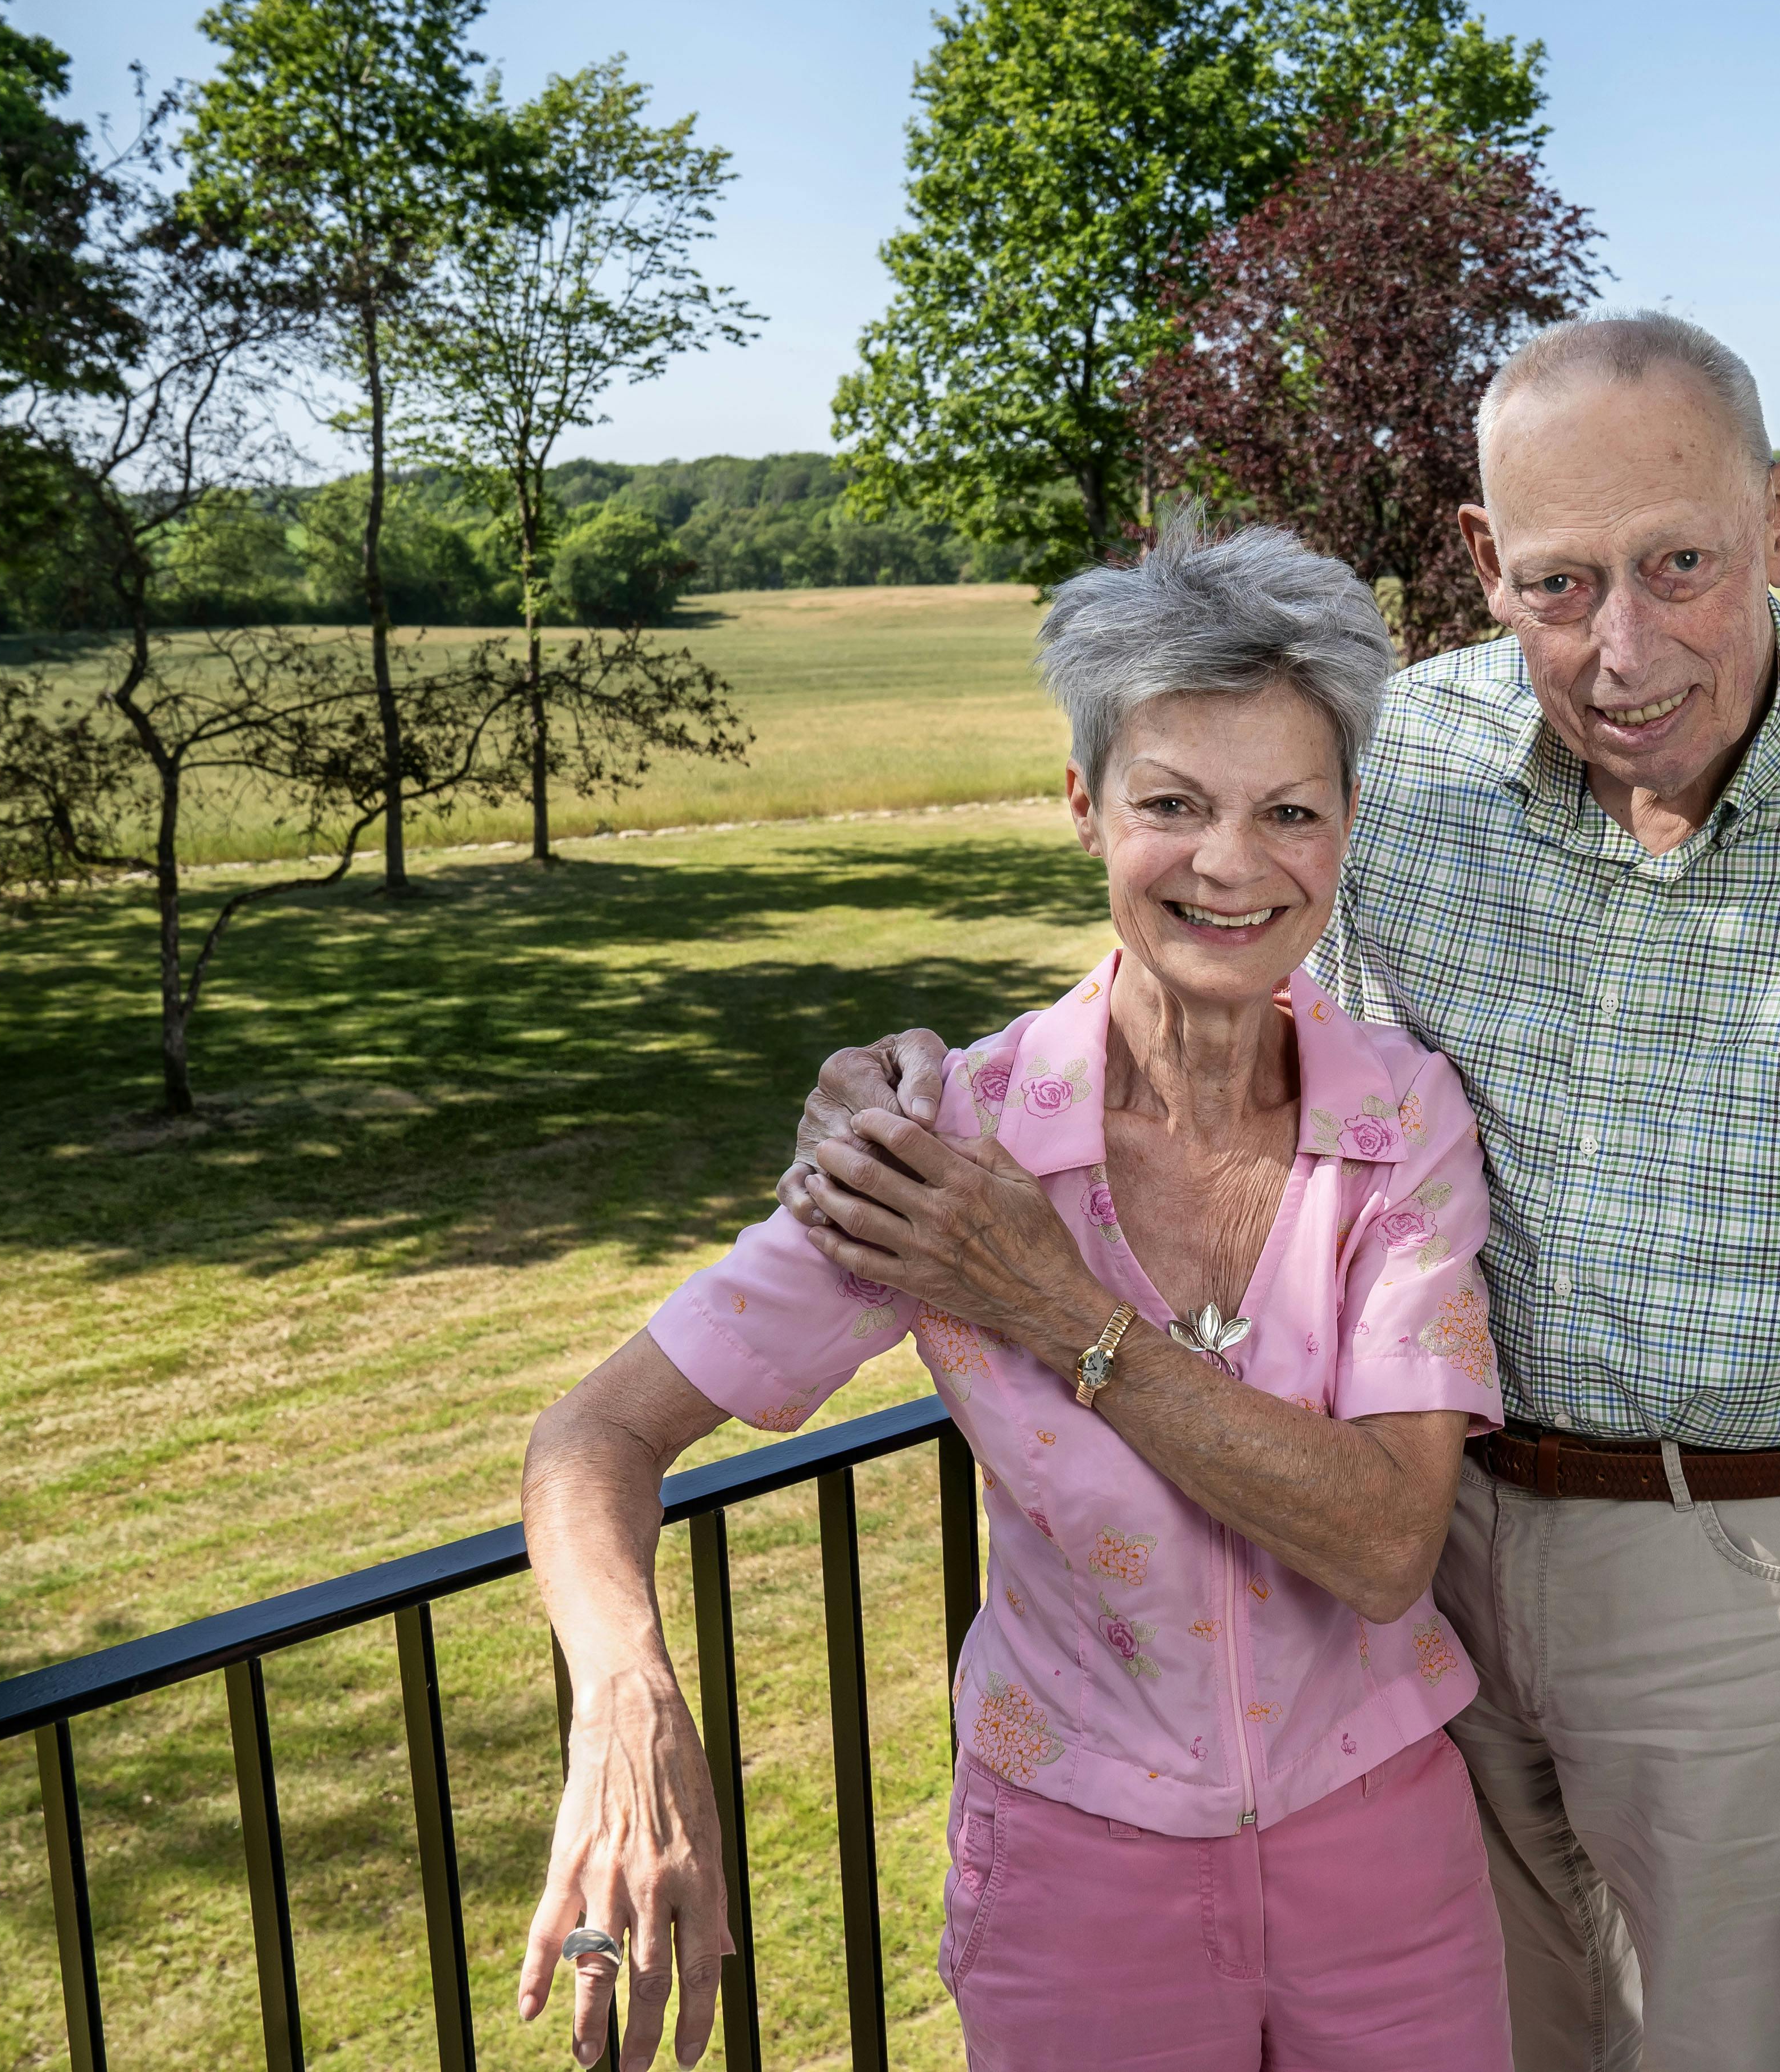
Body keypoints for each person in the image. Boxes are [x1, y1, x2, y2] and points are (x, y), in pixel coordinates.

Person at [786, 310, 1780, 2070]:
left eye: (1683, 566)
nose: (1624, 650)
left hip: (1763, 1588)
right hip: (1416, 1567)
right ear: (1484, 562)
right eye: (1561, 585)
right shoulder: (1400, 757)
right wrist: (914, 1088)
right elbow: (1219, 949)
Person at [518, 522, 1514, 2072]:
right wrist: (626, 1708)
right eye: (1172, 804)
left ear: (1346, 827)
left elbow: (1389, 1542)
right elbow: (595, 1440)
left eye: (1288, 810)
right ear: (1083, 807)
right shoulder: (943, 1143)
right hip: (1080, 1874)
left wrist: (1059, 1313)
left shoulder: (1401, 1116)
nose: (1232, 864)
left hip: (1384, 1856)